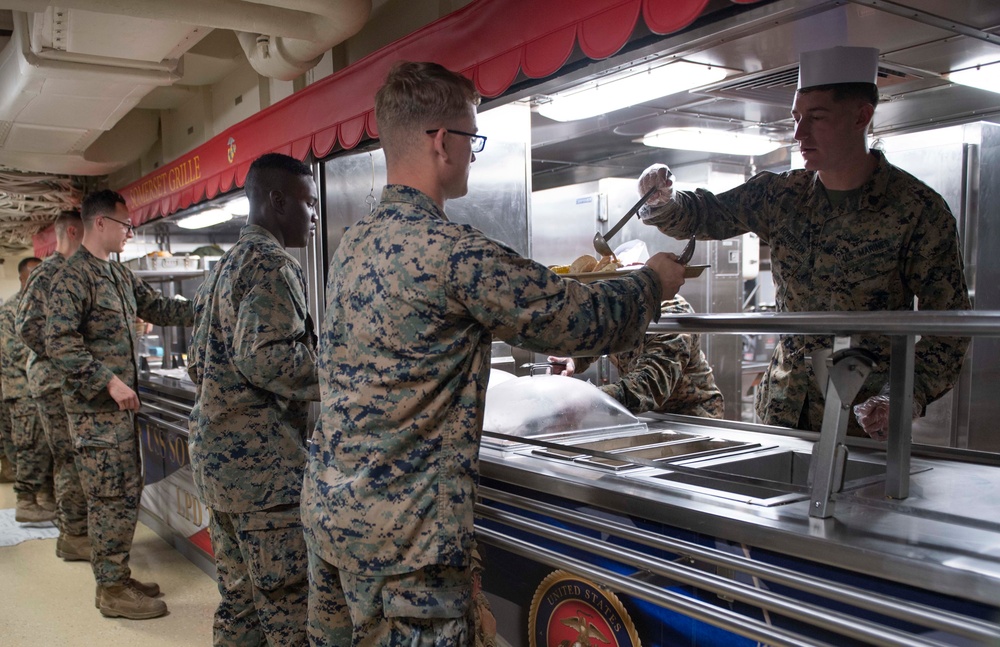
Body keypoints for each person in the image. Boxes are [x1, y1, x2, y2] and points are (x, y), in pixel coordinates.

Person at [301, 61, 686, 645]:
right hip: (408, 544)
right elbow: (578, 319)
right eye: (472, 139)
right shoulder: (451, 252)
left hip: (333, 517)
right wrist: (651, 283)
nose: (474, 155)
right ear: (441, 142)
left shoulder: (353, 244)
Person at [636, 46, 970, 438]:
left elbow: (950, 325)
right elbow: (704, 214)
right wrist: (661, 200)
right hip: (783, 411)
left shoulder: (917, 211)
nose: (799, 134)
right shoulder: (782, 196)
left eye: (817, 118)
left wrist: (904, 393)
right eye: (797, 117)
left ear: (861, 116)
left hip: (861, 416)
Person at [187, 153, 320, 646]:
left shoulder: (223, 266)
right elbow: (267, 360)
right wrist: (345, 374)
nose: (313, 216)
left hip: (221, 467)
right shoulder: (272, 264)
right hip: (264, 475)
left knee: (240, 605)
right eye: (309, 204)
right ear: (277, 200)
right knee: (288, 612)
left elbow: (200, 363)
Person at [45, 189, 194, 619]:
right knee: (108, 497)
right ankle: (110, 590)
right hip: (96, 416)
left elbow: (161, 308)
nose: (131, 233)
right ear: (101, 224)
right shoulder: (73, 277)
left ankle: (115, 574)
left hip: (118, 417)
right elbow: (59, 343)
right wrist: (107, 381)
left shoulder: (118, 275)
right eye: (126, 225)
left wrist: (211, 304)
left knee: (125, 495)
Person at [17, 211, 89, 560]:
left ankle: (74, 532)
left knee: (72, 458)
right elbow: (27, 327)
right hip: (54, 381)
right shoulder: (50, 271)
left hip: (63, 380)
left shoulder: (73, 270)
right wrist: (64, 356)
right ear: (73, 232)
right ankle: (74, 536)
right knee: (70, 457)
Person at [549, 295, 724, 418]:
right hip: (649, 414)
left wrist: (591, 399)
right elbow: (599, 338)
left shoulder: (671, 312)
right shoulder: (618, 307)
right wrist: (574, 359)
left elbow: (651, 383)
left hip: (691, 416)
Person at [1, 256, 52, 523]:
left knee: (45, 447)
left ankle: (44, 497)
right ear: (22, 279)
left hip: (41, 389)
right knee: (29, 446)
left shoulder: (43, 305)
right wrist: (55, 362)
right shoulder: (11, 310)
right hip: (22, 392)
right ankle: (25, 501)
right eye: (32, 276)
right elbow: (16, 352)